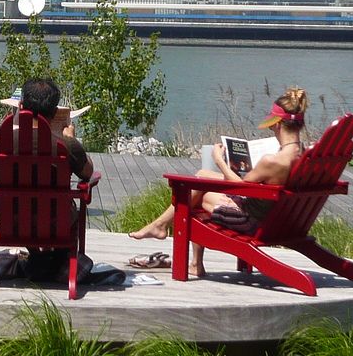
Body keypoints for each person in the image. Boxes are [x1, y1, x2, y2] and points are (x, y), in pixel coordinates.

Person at [129, 87, 309, 277]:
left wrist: (220, 161)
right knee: (202, 175)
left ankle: (172, 239)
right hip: (281, 220)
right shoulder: (304, 155)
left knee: (196, 192)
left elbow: (241, 188)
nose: (272, 129)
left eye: (272, 125)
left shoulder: (273, 161)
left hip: (253, 222)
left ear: (278, 124)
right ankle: (167, 233)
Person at [0, 78, 94, 281]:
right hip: (54, 224)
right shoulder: (66, 145)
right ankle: (53, 261)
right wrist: (71, 138)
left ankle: (38, 259)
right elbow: (88, 174)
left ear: (21, 106)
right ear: (54, 113)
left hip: (3, 222)